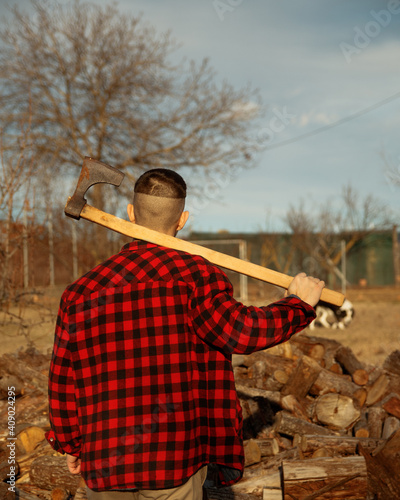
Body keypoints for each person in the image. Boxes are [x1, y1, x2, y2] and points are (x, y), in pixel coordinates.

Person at [46, 168, 325, 500]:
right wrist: (298, 305)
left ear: (131, 213)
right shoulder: (196, 278)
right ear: (183, 219)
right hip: (173, 457)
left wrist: (71, 445)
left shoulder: (81, 293)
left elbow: (63, 381)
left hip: (105, 460)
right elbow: (244, 332)